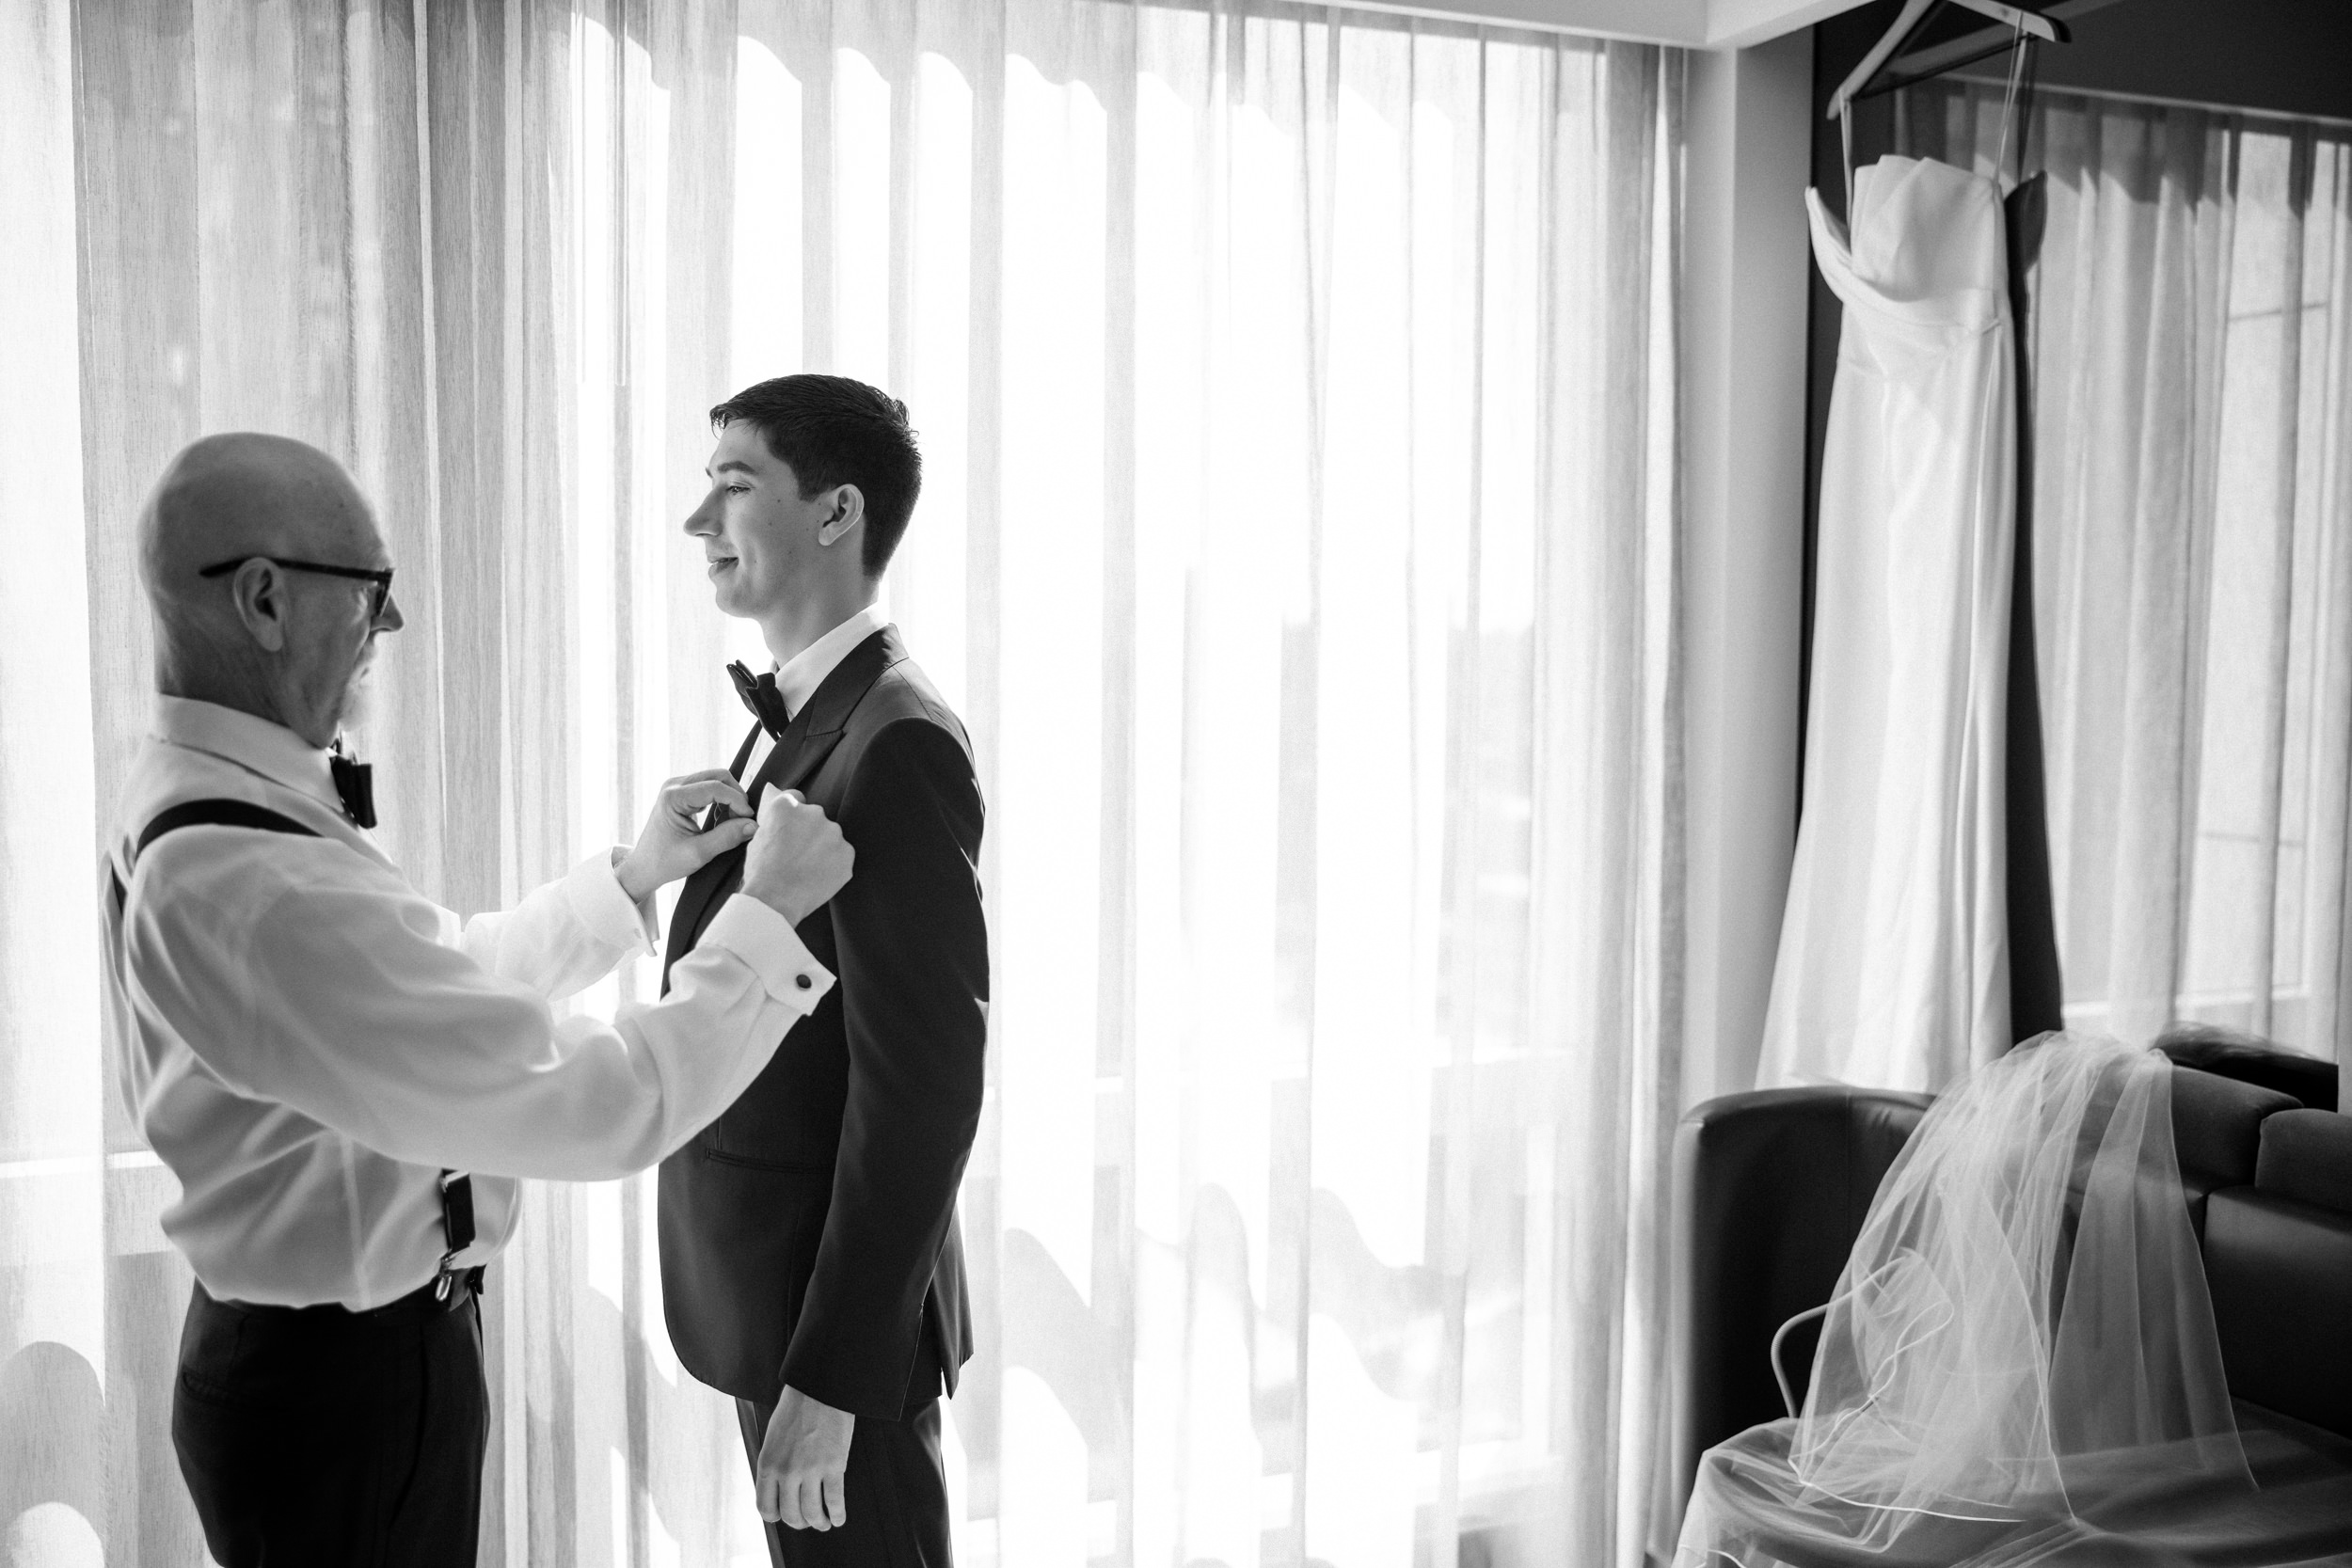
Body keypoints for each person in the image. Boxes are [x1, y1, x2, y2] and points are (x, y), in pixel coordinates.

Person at [103, 432, 856, 1567]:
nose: (389, 627)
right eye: (372, 592)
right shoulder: (246, 882)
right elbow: (600, 1105)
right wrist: (768, 918)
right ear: (263, 599)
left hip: (341, 1374)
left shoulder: (221, 801)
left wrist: (630, 878)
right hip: (338, 1401)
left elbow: (434, 984)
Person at [660, 374, 987, 1566]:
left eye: (732, 486)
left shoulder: (895, 736)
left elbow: (924, 1086)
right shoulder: (808, 708)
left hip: (834, 1334)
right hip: (775, 1298)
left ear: (838, 511)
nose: (701, 523)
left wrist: (836, 1380)